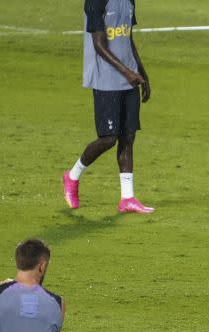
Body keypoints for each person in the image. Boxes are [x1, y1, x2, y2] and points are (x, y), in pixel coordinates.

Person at [61, 0, 154, 214]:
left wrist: (142, 74)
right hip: (106, 80)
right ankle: (72, 176)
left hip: (129, 78)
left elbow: (128, 38)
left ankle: (127, 198)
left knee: (128, 137)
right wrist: (128, 72)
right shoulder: (96, 1)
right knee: (108, 139)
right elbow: (99, 44)